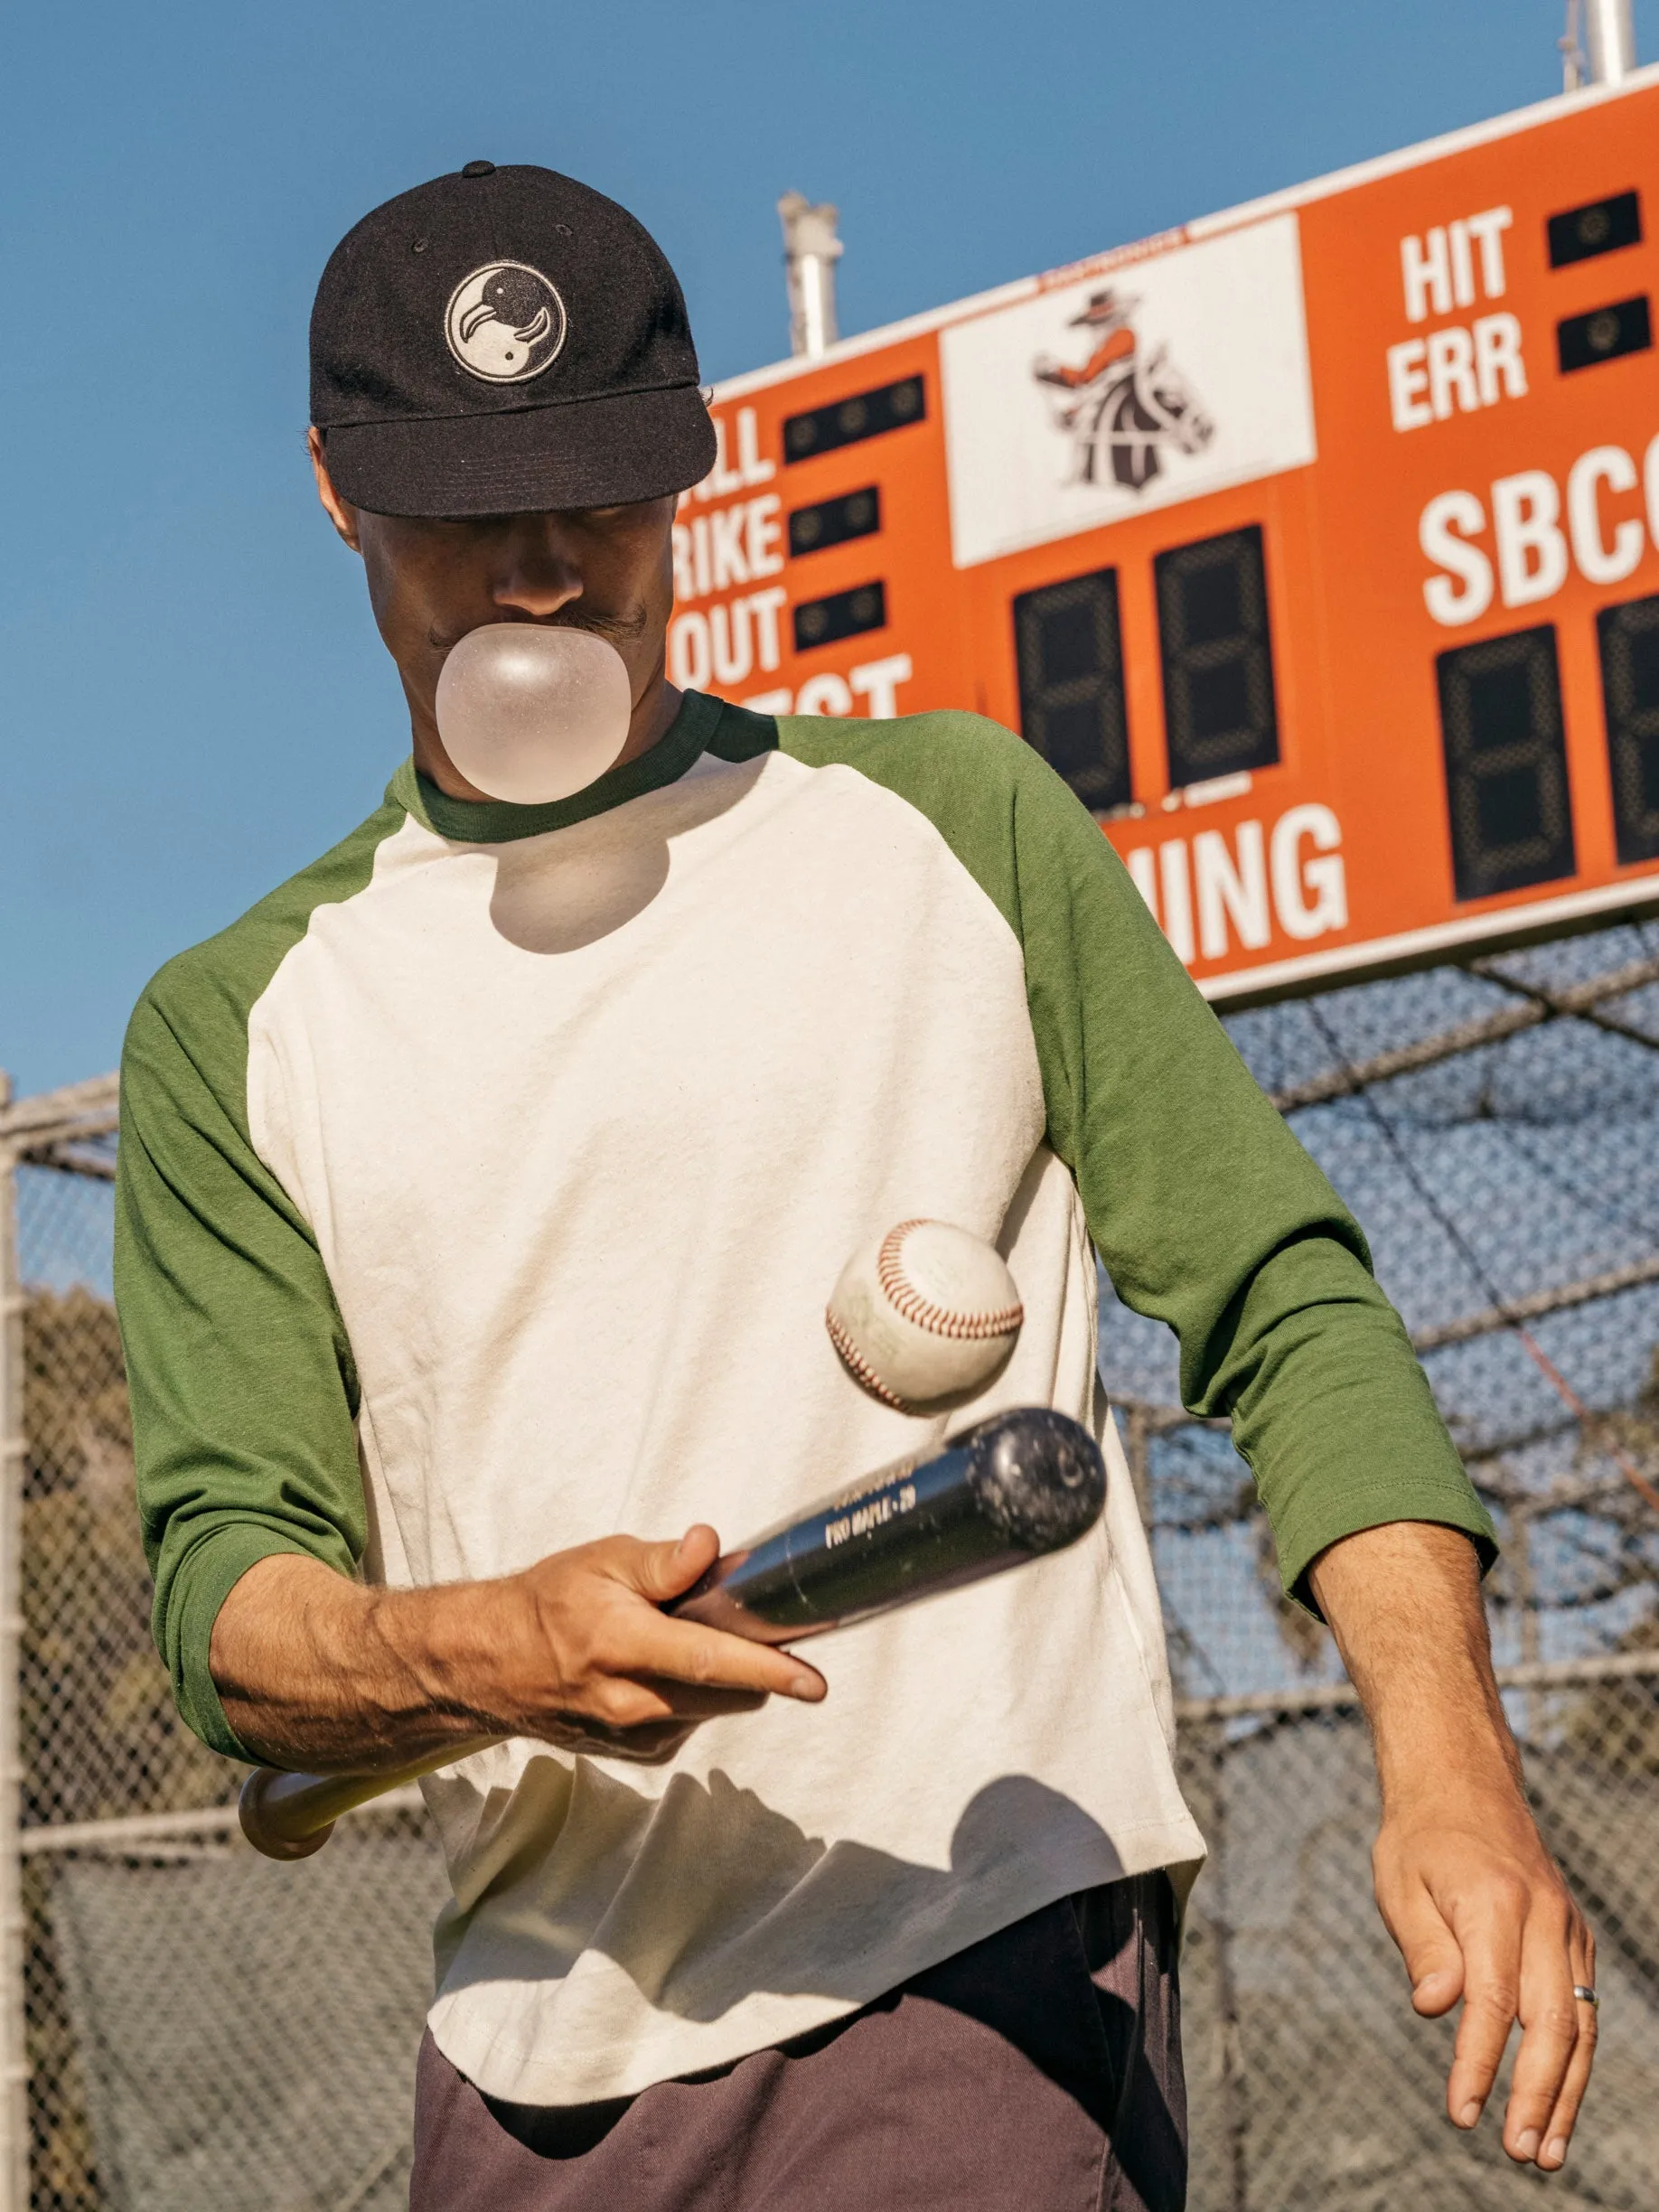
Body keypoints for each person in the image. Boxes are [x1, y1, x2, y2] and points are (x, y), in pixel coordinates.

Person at [115, 163, 1596, 2209]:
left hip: (966, 1961)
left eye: (604, 496)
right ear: (334, 491)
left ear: (687, 478)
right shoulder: (242, 1022)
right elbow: (231, 1607)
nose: (543, 573)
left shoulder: (956, 821)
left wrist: (1447, 1753)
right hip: (534, 2042)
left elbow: (1284, 1291)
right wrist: (488, 1647)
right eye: (469, 511)